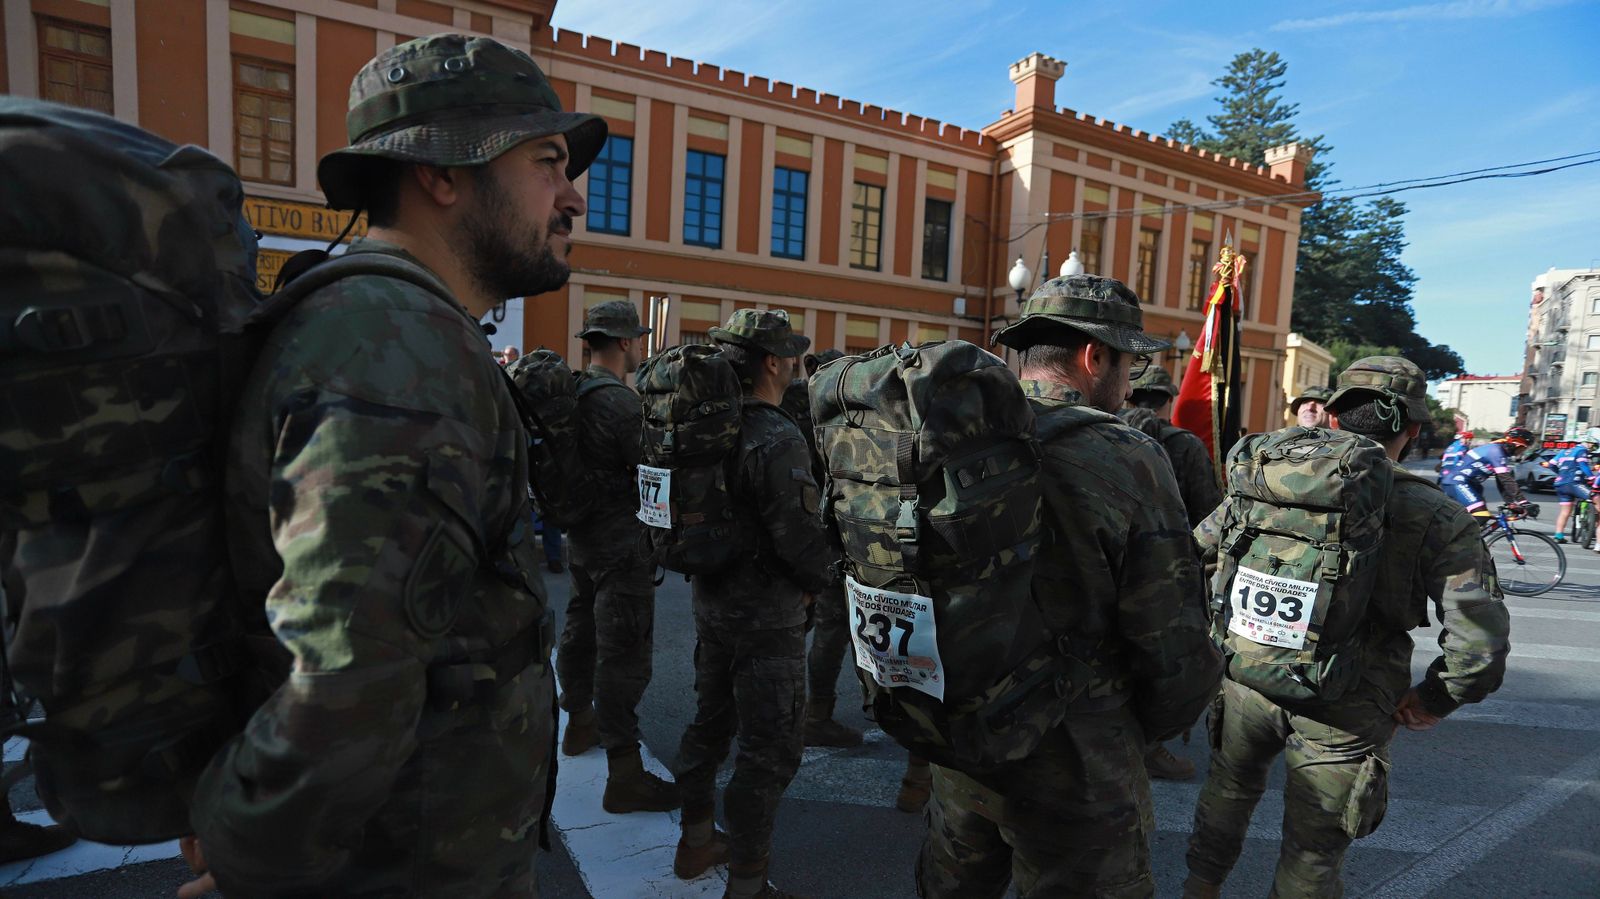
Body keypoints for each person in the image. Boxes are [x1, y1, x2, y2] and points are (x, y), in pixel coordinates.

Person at [181, 34, 605, 898]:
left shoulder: (379, 323)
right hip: (404, 867)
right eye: (548, 162)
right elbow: (344, 680)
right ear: (442, 173)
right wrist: (255, 860)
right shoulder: (398, 349)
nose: (573, 198)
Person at [915, 275, 1221, 897]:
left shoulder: (941, 434)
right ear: (1094, 356)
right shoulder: (1127, 453)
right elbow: (1168, 631)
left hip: (961, 722)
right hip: (1078, 747)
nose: (1131, 382)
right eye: (1130, 363)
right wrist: (1155, 726)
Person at [1184, 355, 1511, 899]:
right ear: (1411, 428)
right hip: (1350, 697)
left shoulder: (1267, 478)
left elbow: (1196, 553)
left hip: (1248, 674)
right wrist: (1435, 697)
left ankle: (1199, 887)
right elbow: (1479, 642)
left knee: (1228, 788)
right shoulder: (1434, 512)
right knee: (1313, 851)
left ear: (1333, 418)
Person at [673, 309, 834, 899]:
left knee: (708, 723)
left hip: (711, 602)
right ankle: (746, 882)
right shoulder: (776, 436)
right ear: (771, 362)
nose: (794, 362)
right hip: (768, 619)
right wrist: (822, 580)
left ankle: (694, 842)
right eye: (789, 353)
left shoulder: (706, 429)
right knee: (768, 751)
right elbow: (798, 537)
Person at [556, 299, 679, 813]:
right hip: (621, 543)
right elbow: (652, 468)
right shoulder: (621, 404)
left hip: (580, 536)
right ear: (626, 343)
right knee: (624, 651)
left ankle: (578, 722)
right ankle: (625, 774)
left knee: (580, 629)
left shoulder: (572, 392)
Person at [1118, 366, 1223, 782]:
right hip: (1166, 570)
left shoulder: (1098, 433)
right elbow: (1209, 513)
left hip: (1103, 563)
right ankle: (1150, 745)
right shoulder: (1184, 445)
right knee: (1158, 662)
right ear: (1167, 401)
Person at [779, 348, 863, 751]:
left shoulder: (791, 397)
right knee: (831, 626)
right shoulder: (834, 409)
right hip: (828, 535)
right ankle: (816, 715)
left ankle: (790, 709)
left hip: (791, 531)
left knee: (797, 623)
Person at [1440, 426, 1536, 517]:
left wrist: (1510, 503)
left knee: (1479, 516)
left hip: (1469, 484)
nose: (1522, 452)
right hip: (1457, 483)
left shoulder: (1502, 453)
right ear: (1515, 445)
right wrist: (1523, 501)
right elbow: (1506, 479)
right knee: (1481, 515)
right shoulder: (1495, 451)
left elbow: (1501, 481)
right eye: (1523, 448)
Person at [1549, 429, 1598, 543]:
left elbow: (1551, 464)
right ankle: (1597, 529)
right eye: (1594, 446)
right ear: (1588, 443)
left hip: (1560, 484)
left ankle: (1558, 536)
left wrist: (1560, 473)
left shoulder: (1565, 451)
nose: (1593, 449)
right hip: (1574, 483)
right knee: (1596, 498)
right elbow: (1583, 466)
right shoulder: (1582, 450)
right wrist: (1592, 478)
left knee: (1565, 511)